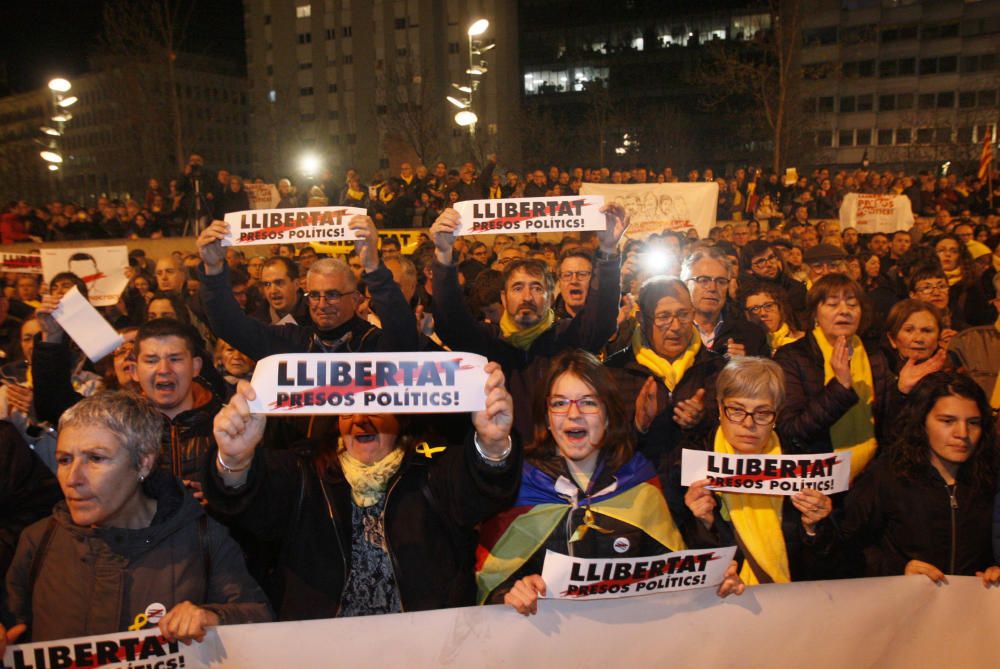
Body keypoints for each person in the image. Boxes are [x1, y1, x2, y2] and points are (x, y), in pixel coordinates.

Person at [204, 364, 520, 620]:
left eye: (374, 406)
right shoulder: (305, 470)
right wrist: (235, 460)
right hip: (322, 648)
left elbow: (484, 488)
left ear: (400, 413)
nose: (359, 421)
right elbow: (247, 503)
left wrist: (492, 446)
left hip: (428, 646)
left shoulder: (434, 467)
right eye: (347, 411)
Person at [477, 350, 743, 614]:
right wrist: (512, 592)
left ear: (607, 414)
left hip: (626, 646)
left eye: (588, 402)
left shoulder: (639, 483)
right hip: (548, 647)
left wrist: (715, 580)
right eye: (559, 403)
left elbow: (676, 581)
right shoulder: (518, 486)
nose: (573, 414)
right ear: (546, 417)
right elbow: (491, 583)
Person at [0, 391, 270, 649]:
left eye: (95, 458)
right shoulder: (39, 541)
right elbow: (14, 626)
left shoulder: (202, 539)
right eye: (64, 459)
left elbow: (258, 618)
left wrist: (214, 619)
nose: (72, 479)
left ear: (143, 463)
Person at [429, 205, 624, 441]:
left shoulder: (568, 338)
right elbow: (450, 323)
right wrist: (443, 254)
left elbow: (601, 319)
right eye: (517, 288)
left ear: (551, 297)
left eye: (537, 288)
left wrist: (608, 250)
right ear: (503, 298)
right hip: (501, 464)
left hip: (556, 466)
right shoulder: (488, 342)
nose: (527, 297)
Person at [814, 373, 999, 585]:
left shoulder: (991, 477)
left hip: (972, 611)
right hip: (902, 610)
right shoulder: (888, 475)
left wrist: (995, 568)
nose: (963, 433)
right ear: (921, 421)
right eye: (947, 421)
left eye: (974, 422)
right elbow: (844, 551)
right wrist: (898, 570)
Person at [667, 357, 833, 584]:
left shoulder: (802, 467)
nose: (748, 423)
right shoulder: (687, 465)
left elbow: (828, 567)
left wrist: (814, 529)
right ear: (719, 407)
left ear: (777, 413)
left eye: (762, 413)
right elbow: (673, 560)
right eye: (736, 410)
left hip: (788, 604)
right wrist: (704, 525)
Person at [197, 215, 418, 358]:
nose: (321, 304)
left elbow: (403, 332)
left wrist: (372, 265)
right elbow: (230, 327)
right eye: (314, 295)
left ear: (355, 298)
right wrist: (213, 269)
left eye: (332, 295)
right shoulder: (293, 342)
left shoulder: (374, 343)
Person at [774, 274, 897, 479]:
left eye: (852, 304)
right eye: (832, 304)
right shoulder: (792, 357)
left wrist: (903, 391)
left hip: (873, 471)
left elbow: (887, 422)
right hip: (819, 475)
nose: (844, 311)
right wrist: (839, 387)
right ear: (815, 313)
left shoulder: (874, 353)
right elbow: (792, 430)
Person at [605, 277, 726, 466]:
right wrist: (638, 425)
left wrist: (701, 423)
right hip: (637, 487)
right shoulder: (615, 371)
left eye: (684, 314)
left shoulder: (717, 368)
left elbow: (733, 440)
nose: (676, 327)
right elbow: (602, 447)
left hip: (697, 488)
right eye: (663, 317)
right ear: (642, 320)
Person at [681, 247, 769, 358]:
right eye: (703, 280)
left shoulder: (751, 335)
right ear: (685, 284)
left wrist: (747, 366)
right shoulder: (671, 332)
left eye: (721, 281)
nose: (713, 288)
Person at [882, 299, 952, 394]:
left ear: (939, 337)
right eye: (909, 330)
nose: (918, 339)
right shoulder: (878, 373)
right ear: (892, 339)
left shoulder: (953, 375)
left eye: (927, 330)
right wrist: (901, 391)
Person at [740, 283, 804, 354]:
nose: (763, 313)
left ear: (781, 308)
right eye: (755, 309)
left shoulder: (804, 341)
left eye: (768, 306)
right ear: (747, 315)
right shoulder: (743, 348)